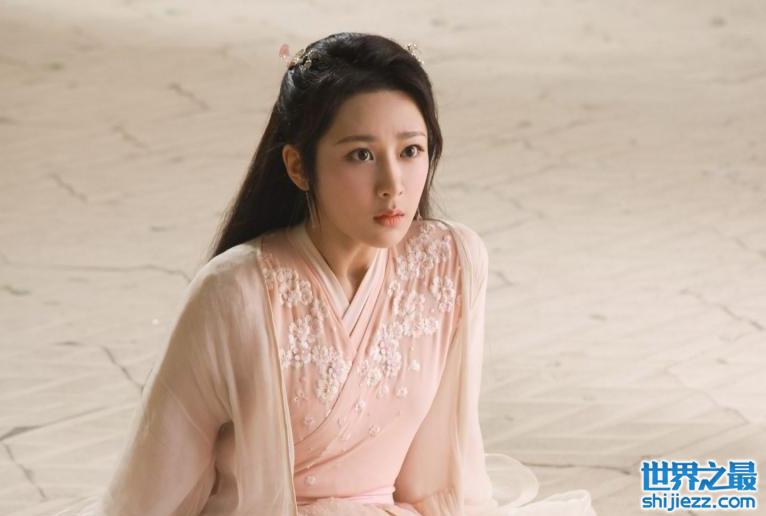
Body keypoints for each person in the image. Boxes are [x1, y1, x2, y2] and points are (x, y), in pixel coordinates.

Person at [54, 32, 597, 516]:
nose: (393, 184)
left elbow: (444, 467)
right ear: (298, 166)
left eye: (411, 150)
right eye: (361, 155)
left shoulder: (450, 261)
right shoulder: (235, 290)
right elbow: (151, 491)